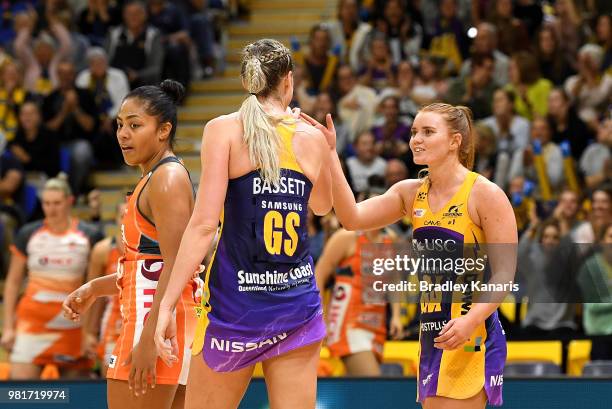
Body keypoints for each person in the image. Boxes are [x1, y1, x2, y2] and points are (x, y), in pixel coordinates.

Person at [154, 39, 333, 409]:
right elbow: (323, 205)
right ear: (288, 81)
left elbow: (204, 226)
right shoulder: (312, 137)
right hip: (294, 304)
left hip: (235, 306)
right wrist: (328, 150)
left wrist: (167, 305)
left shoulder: (223, 129)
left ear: (245, 81)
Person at [301, 102, 517, 407]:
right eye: (415, 132)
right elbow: (351, 219)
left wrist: (471, 321)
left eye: (428, 132)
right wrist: (331, 153)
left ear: (455, 141)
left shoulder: (485, 194)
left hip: (473, 332)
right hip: (433, 332)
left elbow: (505, 274)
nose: (416, 139)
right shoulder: (410, 193)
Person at [62, 80, 201, 409]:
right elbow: (148, 266)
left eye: (135, 125)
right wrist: (95, 287)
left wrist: (148, 337)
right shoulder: (157, 177)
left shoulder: (166, 179)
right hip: (168, 322)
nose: (123, 134)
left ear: (164, 130)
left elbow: (175, 263)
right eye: (120, 125)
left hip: (154, 324)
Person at [0, 176, 103, 379]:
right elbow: (12, 283)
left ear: (69, 201)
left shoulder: (88, 235)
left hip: (73, 327)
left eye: (57, 203)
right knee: (21, 396)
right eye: (46, 203)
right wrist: (8, 328)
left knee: (75, 398)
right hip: (32, 326)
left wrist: (90, 331)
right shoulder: (28, 233)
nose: (51, 209)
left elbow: (96, 286)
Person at [316, 192, 403, 376]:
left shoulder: (390, 240)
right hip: (348, 322)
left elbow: (394, 280)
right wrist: (319, 316)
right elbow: (319, 274)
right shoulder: (346, 237)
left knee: (359, 390)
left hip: (376, 323)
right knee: (372, 387)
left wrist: (395, 315)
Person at [82, 203, 126, 377]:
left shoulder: (155, 247)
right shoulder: (103, 250)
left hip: (145, 324)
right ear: (115, 219)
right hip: (113, 326)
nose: (126, 220)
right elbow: (93, 295)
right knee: (111, 380)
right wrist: (89, 333)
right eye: (122, 215)